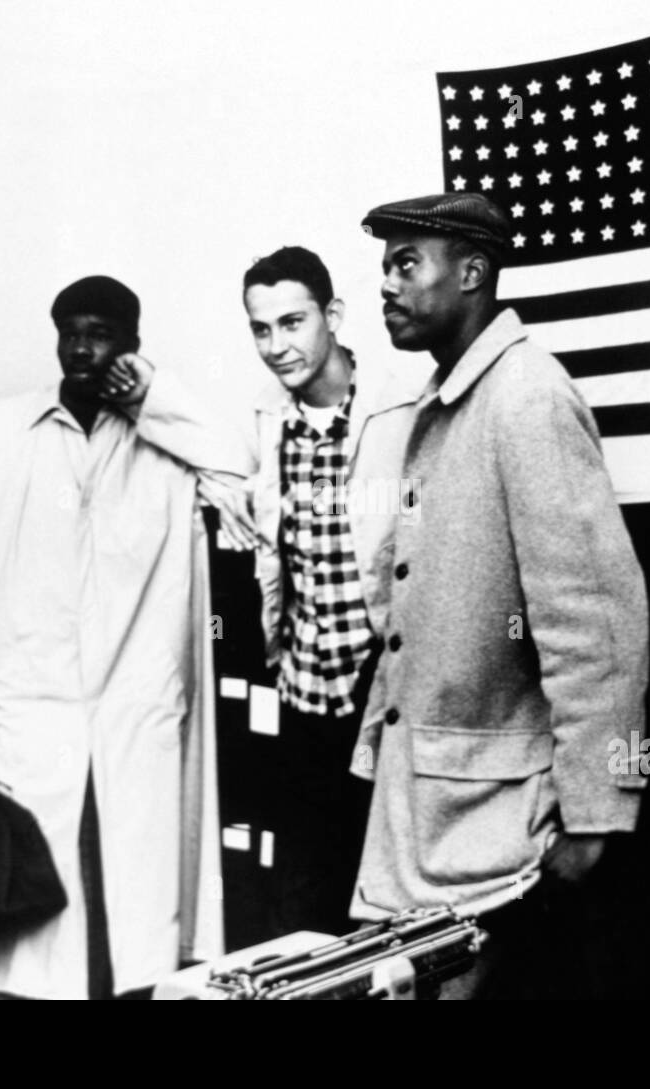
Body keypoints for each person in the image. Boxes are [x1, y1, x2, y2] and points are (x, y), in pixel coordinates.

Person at [0, 275, 251, 999]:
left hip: (138, 712)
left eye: (99, 332)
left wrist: (152, 398)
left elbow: (246, 485)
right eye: (69, 330)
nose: (81, 346)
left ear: (132, 346)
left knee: (135, 907)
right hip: (24, 710)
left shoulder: (167, 444)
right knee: (26, 911)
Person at [351, 193, 649, 997]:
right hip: (432, 814)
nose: (387, 283)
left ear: (474, 272)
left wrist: (595, 813)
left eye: (407, 263)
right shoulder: (448, 394)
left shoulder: (527, 396)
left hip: (498, 832)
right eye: (385, 265)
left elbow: (596, 624)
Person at [243, 245, 429, 936]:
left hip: (378, 693)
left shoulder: (401, 403)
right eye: (261, 329)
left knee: (386, 896)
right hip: (302, 693)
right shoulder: (267, 418)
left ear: (334, 315)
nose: (277, 346)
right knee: (307, 896)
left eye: (292, 322)